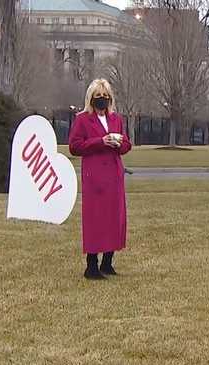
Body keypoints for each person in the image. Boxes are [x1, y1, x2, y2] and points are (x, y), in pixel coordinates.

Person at [68, 78, 132, 280]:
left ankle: (108, 261)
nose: (102, 100)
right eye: (98, 97)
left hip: (114, 175)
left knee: (114, 218)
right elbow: (75, 146)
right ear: (91, 99)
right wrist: (100, 142)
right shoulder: (82, 120)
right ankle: (91, 264)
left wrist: (118, 143)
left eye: (105, 97)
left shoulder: (116, 119)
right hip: (95, 175)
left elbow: (127, 145)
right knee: (96, 219)